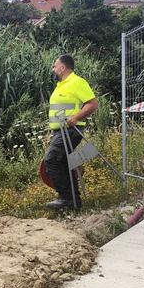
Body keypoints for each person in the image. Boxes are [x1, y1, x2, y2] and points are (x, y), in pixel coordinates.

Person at [44, 54, 99, 210]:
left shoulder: (77, 82)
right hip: (60, 131)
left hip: (70, 130)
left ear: (63, 67)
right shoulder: (60, 85)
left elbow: (93, 104)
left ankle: (66, 198)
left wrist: (75, 117)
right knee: (63, 163)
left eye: (55, 66)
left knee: (51, 160)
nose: (53, 69)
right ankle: (74, 201)